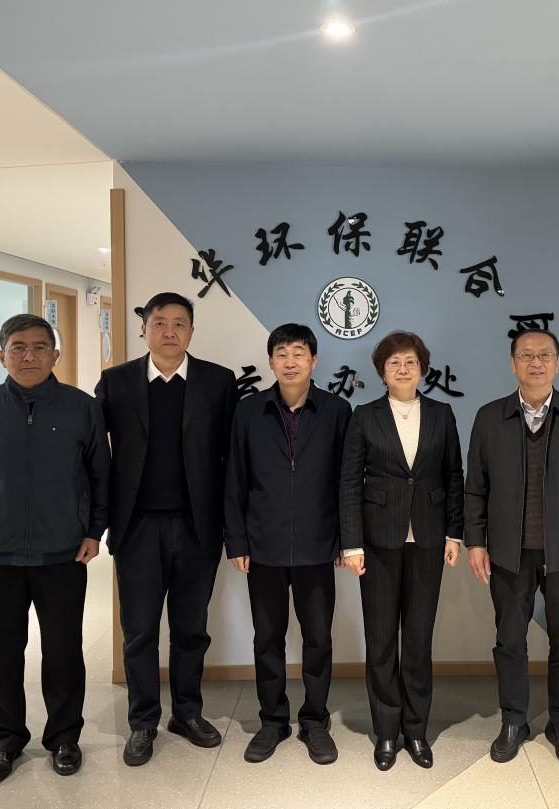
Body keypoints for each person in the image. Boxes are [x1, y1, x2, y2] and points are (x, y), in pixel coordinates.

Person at [0, 313, 109, 785]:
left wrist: (93, 531)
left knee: (63, 652)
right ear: (2, 356)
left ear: (55, 355)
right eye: (18, 347)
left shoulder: (81, 408)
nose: (29, 356)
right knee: (2, 654)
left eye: (40, 347)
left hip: (63, 554)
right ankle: (5, 742)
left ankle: (64, 737)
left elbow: (101, 475)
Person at [94, 292, 237, 766]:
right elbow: (93, 454)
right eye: (160, 322)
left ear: (192, 331)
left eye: (179, 323)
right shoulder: (116, 382)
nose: (169, 331)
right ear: (144, 329)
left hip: (198, 527)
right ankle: (142, 721)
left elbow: (233, 458)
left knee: (191, 629)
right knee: (138, 631)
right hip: (137, 528)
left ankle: (187, 713)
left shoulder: (218, 382)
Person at [464, 330, 559, 769]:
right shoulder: (489, 417)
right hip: (509, 553)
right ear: (512, 363)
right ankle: (513, 720)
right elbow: (475, 487)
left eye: (545, 355)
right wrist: (476, 541)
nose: (536, 362)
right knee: (509, 640)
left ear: (557, 363)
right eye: (526, 355)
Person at [224, 323, 352, 765]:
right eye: (282, 353)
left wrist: (346, 539)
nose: (291, 361)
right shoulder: (249, 411)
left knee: (318, 638)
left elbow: (347, 480)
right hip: (264, 545)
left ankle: (315, 720)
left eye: (299, 353)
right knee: (267, 638)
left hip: (319, 545)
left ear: (314, 361)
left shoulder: (336, 410)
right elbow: (234, 477)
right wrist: (236, 540)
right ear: (271, 361)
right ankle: (273, 720)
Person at [339, 330, 465, 771]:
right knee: (380, 642)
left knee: (417, 641)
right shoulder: (365, 416)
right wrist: (351, 544)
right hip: (376, 543)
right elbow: (350, 482)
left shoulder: (441, 414)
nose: (403, 368)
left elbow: (454, 476)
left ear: (422, 368)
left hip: (428, 541)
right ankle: (387, 733)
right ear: (382, 371)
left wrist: (454, 535)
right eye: (394, 362)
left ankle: (416, 730)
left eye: (410, 361)